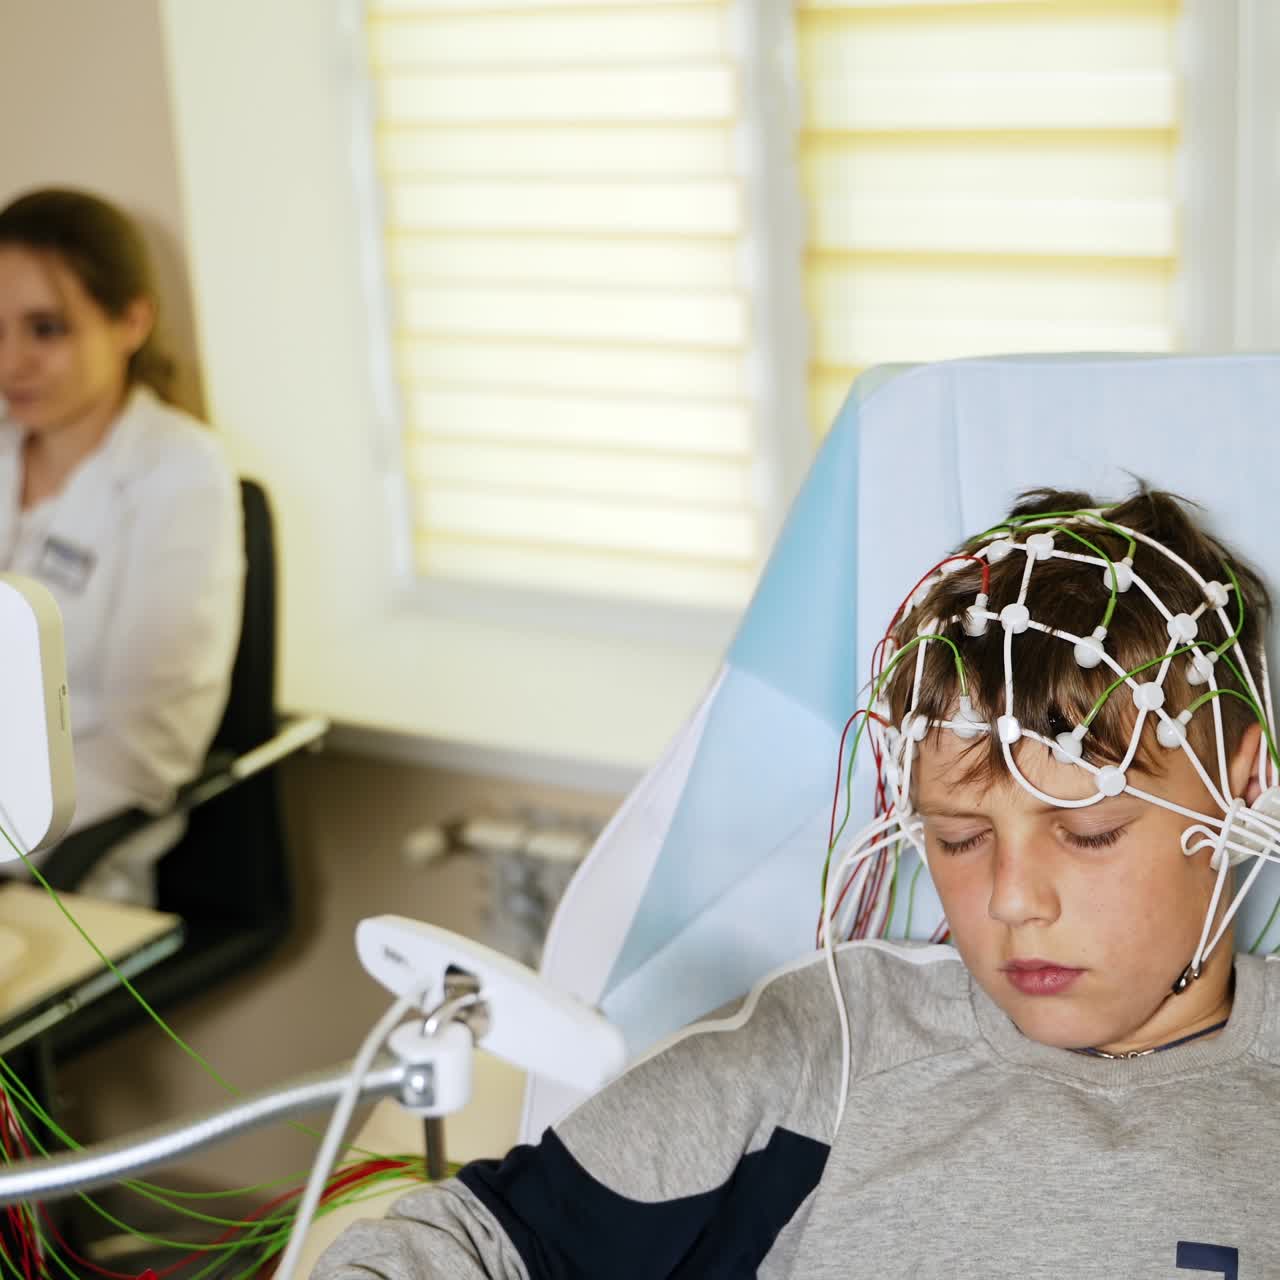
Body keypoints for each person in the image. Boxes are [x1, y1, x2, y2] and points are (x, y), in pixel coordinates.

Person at [315, 487, 1280, 1278]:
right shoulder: (833, 1053)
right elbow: (476, 1247)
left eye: (1088, 832)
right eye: (956, 838)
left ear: (1243, 789)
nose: (1012, 899)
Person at [0, 188, 243, 901]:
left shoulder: (178, 472)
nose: (12, 362)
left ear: (131, 321)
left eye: (46, 330)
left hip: (71, 861)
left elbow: (150, 747)